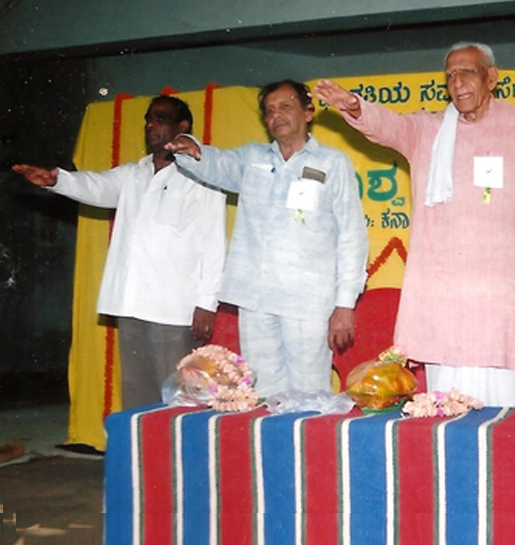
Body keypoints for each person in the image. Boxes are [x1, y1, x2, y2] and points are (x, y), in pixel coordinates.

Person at [313, 42, 515, 407]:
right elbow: (388, 126)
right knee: (448, 405)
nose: (457, 83)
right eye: (450, 75)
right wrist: (353, 105)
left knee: (504, 408)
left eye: (467, 73)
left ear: (491, 78)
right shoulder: (428, 130)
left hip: (503, 298)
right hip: (445, 299)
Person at [13, 95, 227, 409]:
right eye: (148, 119)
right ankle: (140, 443)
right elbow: (96, 186)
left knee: (179, 399)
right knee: (137, 397)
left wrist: (207, 303)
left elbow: (214, 243)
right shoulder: (134, 173)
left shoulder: (203, 176)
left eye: (160, 118)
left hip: (174, 309)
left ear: (183, 126)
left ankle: (175, 444)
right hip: (132, 304)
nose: (150, 125)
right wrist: (57, 181)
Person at [166, 80, 368, 398]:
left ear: (308, 113)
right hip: (256, 300)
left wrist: (345, 303)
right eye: (270, 110)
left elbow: (352, 235)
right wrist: (190, 147)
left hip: (308, 301)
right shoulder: (252, 158)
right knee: (264, 393)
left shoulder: (332, 163)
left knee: (309, 395)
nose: (276, 115)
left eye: (285, 106)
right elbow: (213, 162)